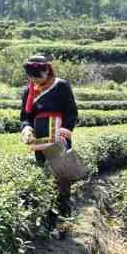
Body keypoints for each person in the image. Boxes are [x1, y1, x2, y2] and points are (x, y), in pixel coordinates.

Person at [20, 55, 79, 234]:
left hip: (59, 135)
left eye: (37, 76)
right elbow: (25, 116)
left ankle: (62, 222)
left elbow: (71, 111)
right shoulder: (28, 91)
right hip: (39, 138)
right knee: (44, 177)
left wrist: (66, 130)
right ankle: (48, 221)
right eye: (31, 76)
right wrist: (27, 127)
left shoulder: (61, 86)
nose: (34, 80)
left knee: (61, 179)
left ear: (47, 70)